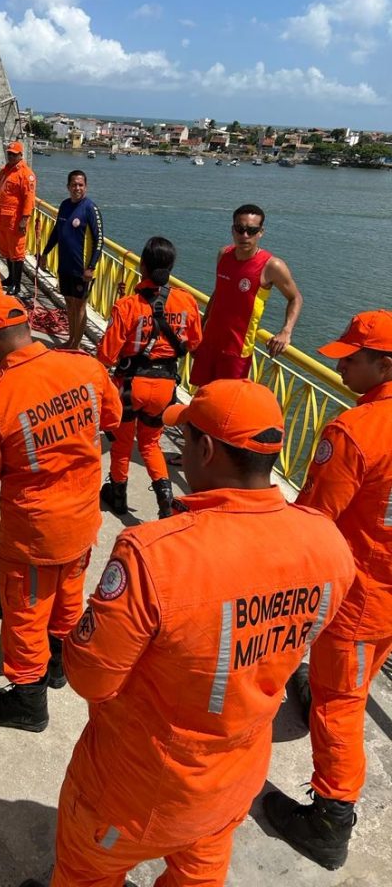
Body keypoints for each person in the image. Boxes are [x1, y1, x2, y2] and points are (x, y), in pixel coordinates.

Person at [19, 378, 354, 887]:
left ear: (205, 447)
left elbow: (89, 677)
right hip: (231, 783)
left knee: (85, 874)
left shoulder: (155, 554)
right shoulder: (327, 544)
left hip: (133, 789)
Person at [264, 309, 392, 871]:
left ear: (383, 364)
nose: (340, 366)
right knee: (349, 680)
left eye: (352, 359)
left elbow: (315, 520)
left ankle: (330, 821)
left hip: (361, 596)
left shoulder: (355, 432)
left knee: (342, 703)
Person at [0, 295, 122, 732]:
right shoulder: (86, 368)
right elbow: (113, 415)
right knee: (70, 593)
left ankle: (29, 704)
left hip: (35, 533)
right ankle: (57, 668)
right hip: (83, 520)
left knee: (26, 613)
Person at [97, 236, 202, 518]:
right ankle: (165, 499)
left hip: (131, 386)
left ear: (142, 265)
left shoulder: (128, 306)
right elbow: (194, 343)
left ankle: (117, 495)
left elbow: (106, 355)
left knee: (121, 445)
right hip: (165, 388)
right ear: (171, 267)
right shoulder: (186, 302)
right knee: (150, 443)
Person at [189, 204, 303, 386]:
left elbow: (295, 298)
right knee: (201, 400)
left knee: (224, 408)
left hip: (237, 352)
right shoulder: (223, 254)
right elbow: (218, 293)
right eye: (240, 229)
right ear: (232, 230)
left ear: (261, 232)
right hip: (209, 344)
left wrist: (286, 331)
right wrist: (200, 331)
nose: (245, 236)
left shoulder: (272, 266)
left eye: (251, 230)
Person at [39, 170, 103, 349]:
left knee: (80, 306)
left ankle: (76, 344)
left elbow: (99, 240)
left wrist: (91, 266)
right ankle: (70, 339)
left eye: (81, 185)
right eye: (74, 184)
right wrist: (45, 253)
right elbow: (56, 232)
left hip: (81, 269)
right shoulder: (64, 205)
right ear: (68, 187)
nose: (77, 188)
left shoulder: (90, 208)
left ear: (86, 187)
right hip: (64, 265)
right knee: (69, 304)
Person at [0, 140, 36, 295]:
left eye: (14, 154)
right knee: (6, 250)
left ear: (20, 155)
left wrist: (24, 219)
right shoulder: (5, 170)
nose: (11, 156)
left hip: (15, 220)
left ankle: (17, 284)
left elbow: (29, 198)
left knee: (17, 252)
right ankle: (10, 278)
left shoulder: (25, 174)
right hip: (2, 218)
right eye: (9, 153)